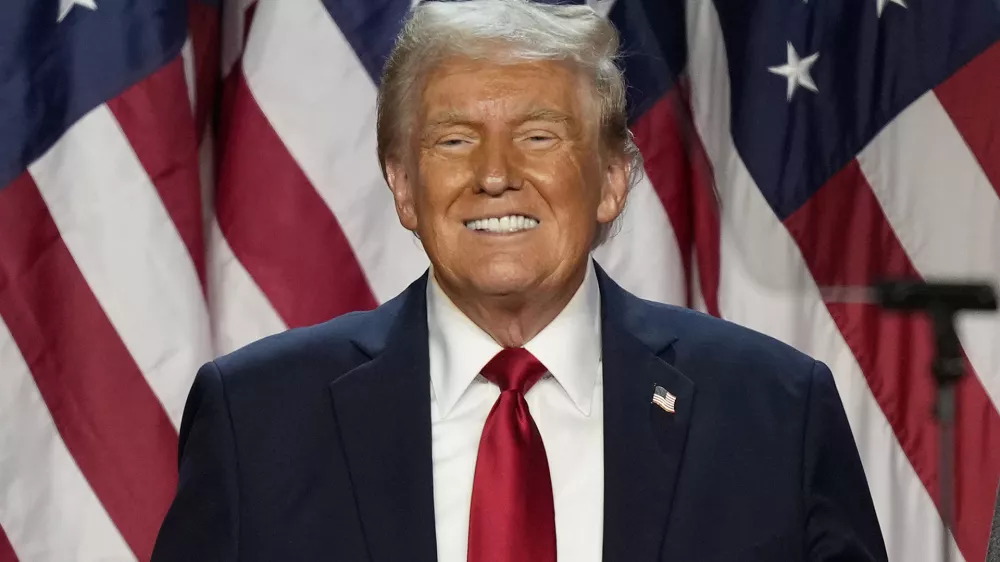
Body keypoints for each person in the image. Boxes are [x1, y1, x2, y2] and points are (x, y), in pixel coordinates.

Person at [150, 1, 888, 560]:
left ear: (611, 180)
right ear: (404, 188)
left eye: (538, 137)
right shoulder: (259, 419)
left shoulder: (773, 412)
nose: (495, 175)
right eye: (454, 140)